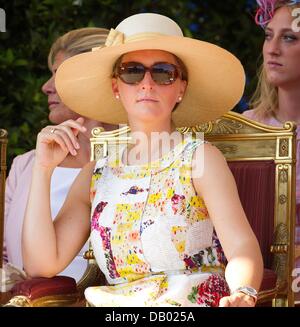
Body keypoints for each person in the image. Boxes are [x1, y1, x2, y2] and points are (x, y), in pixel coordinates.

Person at [22, 13, 263, 307]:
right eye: (132, 71)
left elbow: (240, 246)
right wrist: (42, 170)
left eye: (163, 72)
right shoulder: (96, 175)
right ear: (116, 87)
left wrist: (243, 292)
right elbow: (41, 264)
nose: (147, 83)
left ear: (181, 88)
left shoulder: (199, 158)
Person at [3, 27, 117, 283]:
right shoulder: (26, 165)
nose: (45, 87)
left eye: (58, 75)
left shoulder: (133, 164)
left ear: (92, 79)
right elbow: (5, 255)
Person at [243, 0, 300, 302]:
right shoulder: (243, 129)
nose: (272, 48)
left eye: (289, 37)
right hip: (253, 284)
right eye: (268, 35)